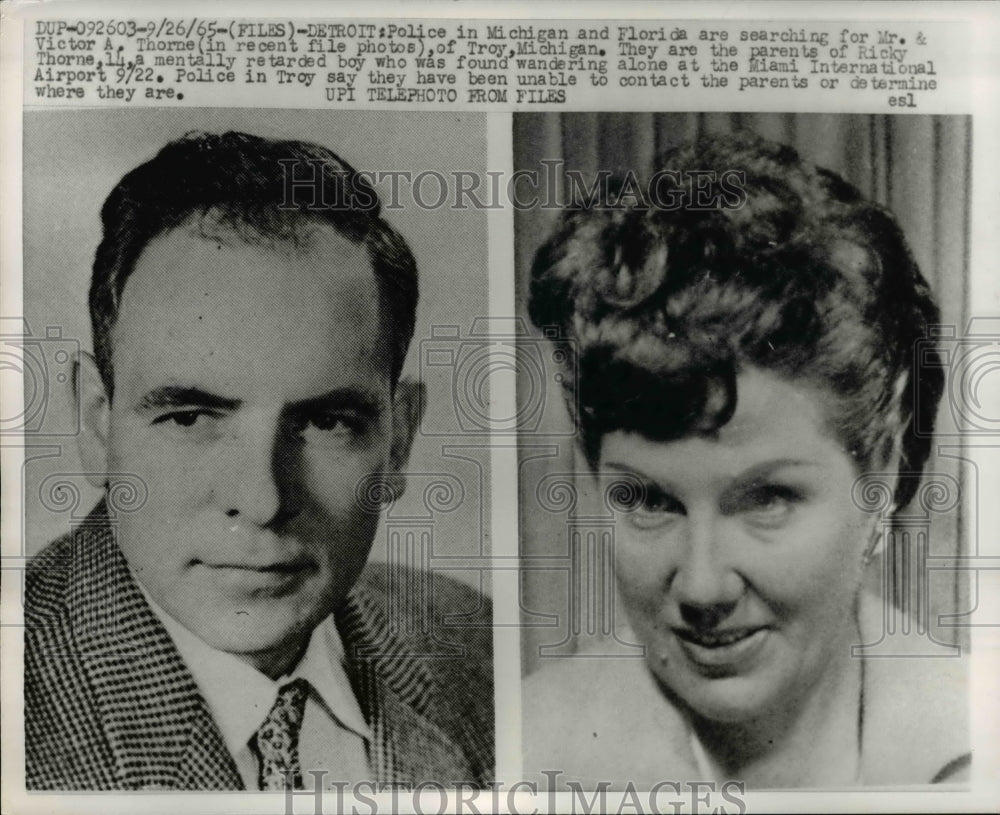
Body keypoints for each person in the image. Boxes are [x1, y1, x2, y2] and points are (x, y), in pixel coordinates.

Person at [25, 131, 493, 790]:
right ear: (97, 423)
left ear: (400, 437)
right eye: (190, 417)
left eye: (326, 420)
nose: (265, 498)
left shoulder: (472, 641)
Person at [522, 132, 970, 788]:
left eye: (767, 498)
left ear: (881, 469)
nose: (703, 588)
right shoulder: (524, 752)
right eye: (648, 500)